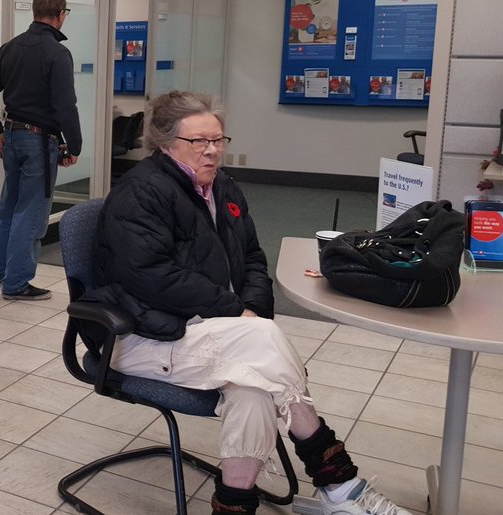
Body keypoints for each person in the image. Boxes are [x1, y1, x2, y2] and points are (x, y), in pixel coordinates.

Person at [86, 91, 411, 515]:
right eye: (198, 142)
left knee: (255, 389)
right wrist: (235, 310)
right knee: (261, 344)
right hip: (143, 333)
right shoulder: (141, 193)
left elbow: (254, 258)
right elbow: (152, 277)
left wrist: (251, 309)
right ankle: (340, 482)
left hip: (216, 330)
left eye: (218, 140)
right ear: (166, 144)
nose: (212, 151)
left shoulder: (223, 187)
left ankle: (236, 506)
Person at [0, 0, 82, 300]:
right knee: (31, 214)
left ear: (34, 12)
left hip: (11, 137)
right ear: (61, 15)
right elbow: (65, 107)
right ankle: (17, 283)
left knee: (10, 206)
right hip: (39, 142)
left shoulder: (10, 48)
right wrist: (74, 146)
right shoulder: (57, 53)